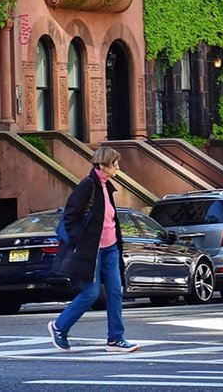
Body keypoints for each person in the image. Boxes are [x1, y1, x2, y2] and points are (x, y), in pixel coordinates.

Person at [47, 145, 139, 353]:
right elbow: (70, 217)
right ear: (103, 165)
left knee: (116, 292)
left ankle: (115, 339)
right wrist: (83, 239)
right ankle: (59, 326)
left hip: (111, 248)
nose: (117, 167)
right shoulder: (88, 185)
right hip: (92, 250)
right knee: (90, 292)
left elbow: (108, 218)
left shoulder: (106, 186)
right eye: (115, 163)